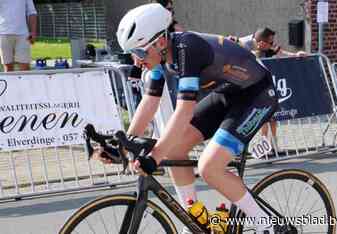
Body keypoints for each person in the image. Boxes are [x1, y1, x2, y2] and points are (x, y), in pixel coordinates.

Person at [97, 3, 278, 233]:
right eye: (131, 54)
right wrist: (125, 145)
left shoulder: (187, 48)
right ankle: (195, 220)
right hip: (228, 93)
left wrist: (154, 157)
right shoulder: (159, 59)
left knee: (209, 167)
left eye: (140, 52)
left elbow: (184, 110)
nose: (136, 61)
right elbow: (150, 102)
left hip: (257, 95)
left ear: (160, 41)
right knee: (173, 149)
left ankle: (267, 226)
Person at [238, 27, 307, 155]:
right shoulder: (243, 44)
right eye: (270, 43)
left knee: (272, 116)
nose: (272, 45)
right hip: (250, 87)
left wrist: (295, 55)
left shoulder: (267, 44)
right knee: (262, 118)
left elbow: (280, 52)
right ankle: (261, 147)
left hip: (265, 85)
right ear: (261, 43)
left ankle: (274, 144)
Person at [0, 0, 37, 72]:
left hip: (23, 35)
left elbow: (32, 12)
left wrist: (33, 32)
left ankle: (25, 83)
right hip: (3, 33)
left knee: (25, 67)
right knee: (8, 68)